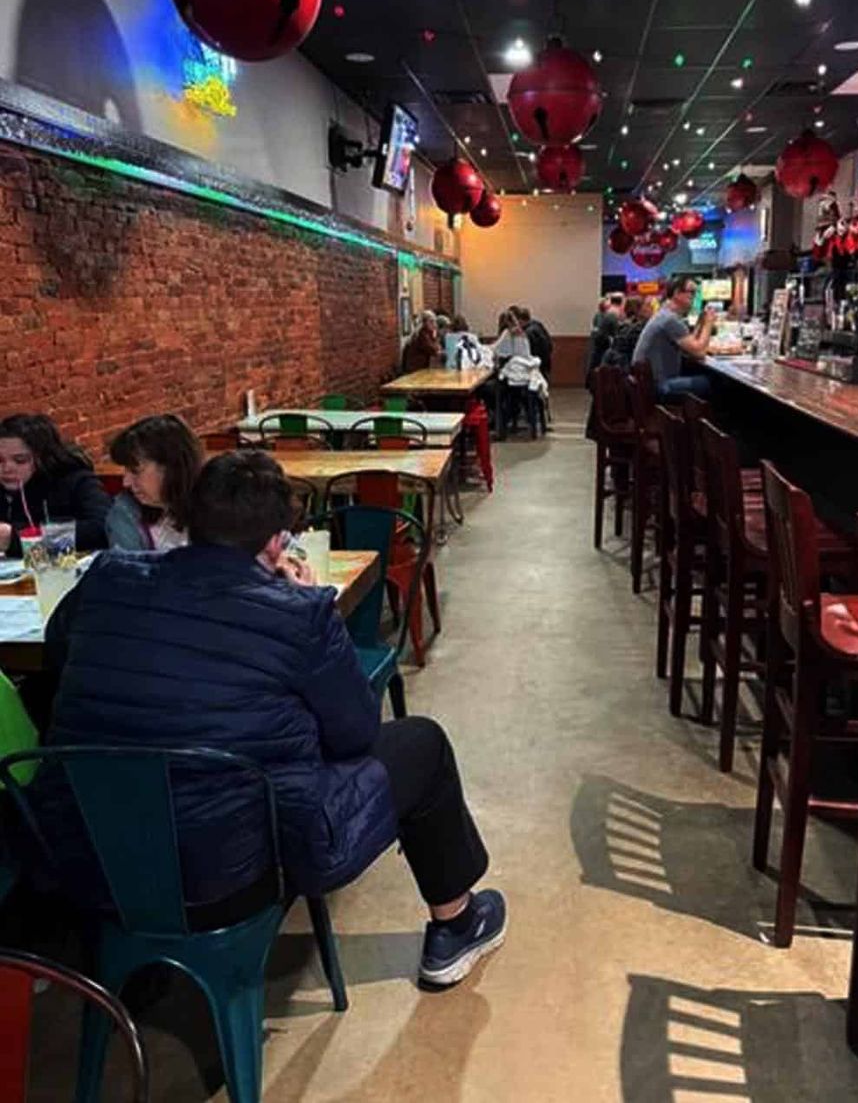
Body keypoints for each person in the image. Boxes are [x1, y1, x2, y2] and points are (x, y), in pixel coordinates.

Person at [40, 449, 506, 986]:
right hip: (226, 876)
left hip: (87, 858)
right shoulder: (299, 613)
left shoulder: (107, 576)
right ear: (275, 541)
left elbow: (58, 664)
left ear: (188, 518)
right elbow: (355, 734)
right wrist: (312, 609)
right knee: (422, 743)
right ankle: (457, 924)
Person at [0, 414, 110, 558]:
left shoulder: (76, 481)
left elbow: (102, 528)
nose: (7, 468)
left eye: (20, 460)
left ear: (42, 458)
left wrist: (14, 539)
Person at [105, 414, 204, 551]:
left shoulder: (219, 509)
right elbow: (129, 569)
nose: (125, 482)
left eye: (136, 470)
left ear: (171, 467)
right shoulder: (126, 512)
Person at [632, 275, 713, 400]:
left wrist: (700, 323)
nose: (694, 297)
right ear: (676, 293)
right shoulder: (670, 320)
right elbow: (699, 352)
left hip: (647, 384)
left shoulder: (664, 314)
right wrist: (708, 323)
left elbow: (690, 343)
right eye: (691, 292)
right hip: (659, 386)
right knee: (712, 383)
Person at [604, 296, 654, 370]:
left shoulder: (625, 326)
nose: (652, 309)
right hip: (629, 370)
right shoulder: (638, 329)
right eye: (648, 306)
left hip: (616, 369)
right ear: (639, 310)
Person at [512, 307, 553, 379]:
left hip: (536, 367)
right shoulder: (537, 324)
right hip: (544, 364)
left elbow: (529, 352)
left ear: (520, 320)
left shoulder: (529, 333)